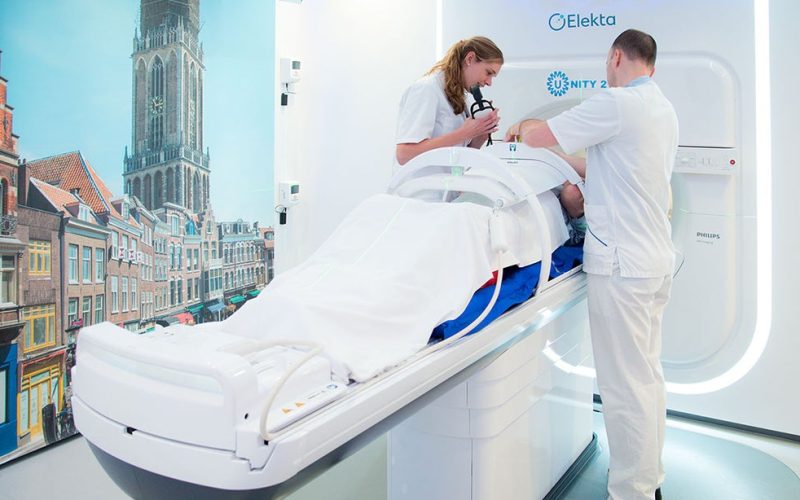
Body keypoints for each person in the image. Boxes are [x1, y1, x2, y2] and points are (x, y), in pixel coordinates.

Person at [508, 29, 678, 500]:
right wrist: (565, 164)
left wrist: (522, 127)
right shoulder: (661, 108)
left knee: (624, 389)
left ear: (615, 56)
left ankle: (632, 493)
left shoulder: (616, 103)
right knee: (646, 379)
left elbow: (537, 135)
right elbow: (611, 169)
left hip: (623, 268)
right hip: (653, 262)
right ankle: (650, 480)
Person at [395, 36, 503, 166]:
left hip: (448, 178)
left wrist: (481, 134)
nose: (489, 82)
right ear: (470, 58)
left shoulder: (460, 97)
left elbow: (460, 155)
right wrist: (463, 133)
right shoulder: (426, 89)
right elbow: (404, 155)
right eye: (488, 73)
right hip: (423, 179)